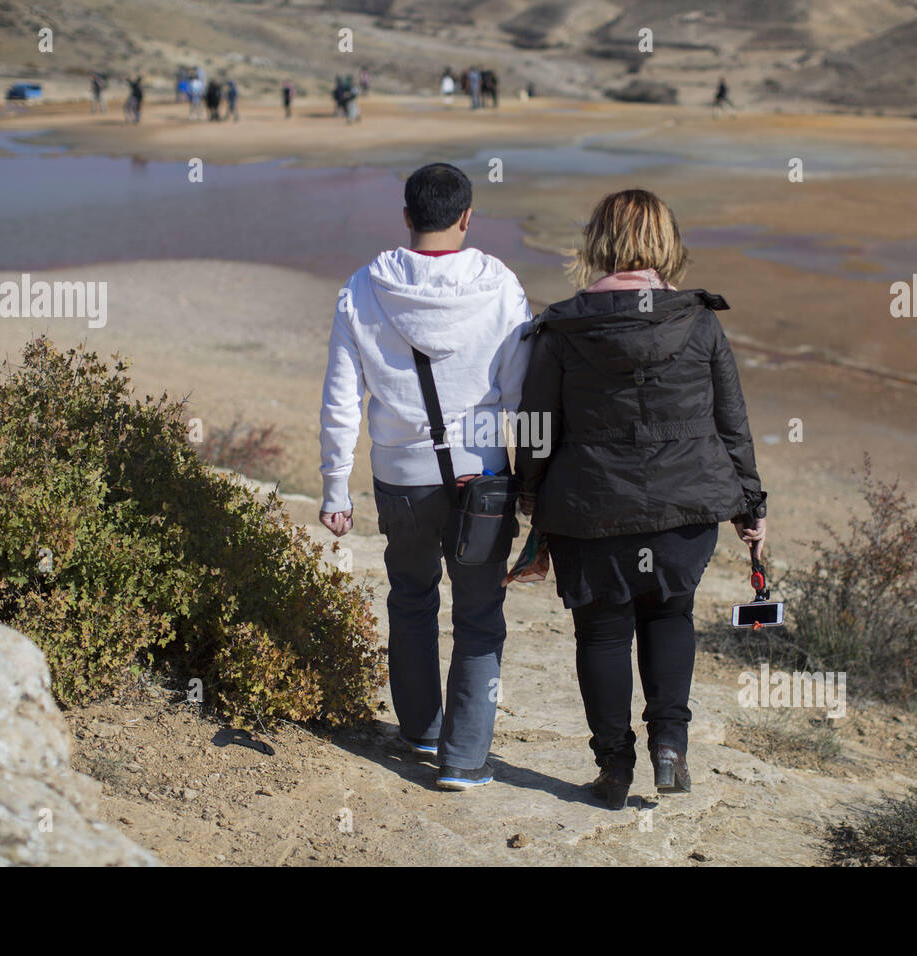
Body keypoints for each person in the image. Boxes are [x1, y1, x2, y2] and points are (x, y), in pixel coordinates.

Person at [514, 189, 767, 810]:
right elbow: (731, 419)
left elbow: (535, 425)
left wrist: (530, 503)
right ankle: (670, 747)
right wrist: (750, 506)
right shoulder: (699, 319)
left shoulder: (563, 325)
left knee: (601, 634)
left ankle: (615, 769)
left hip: (591, 511)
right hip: (686, 509)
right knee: (669, 616)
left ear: (598, 243)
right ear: (665, 244)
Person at [318, 163, 533, 791]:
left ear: (407, 216)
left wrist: (336, 486)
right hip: (483, 481)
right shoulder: (500, 287)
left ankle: (420, 732)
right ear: (467, 217)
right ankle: (464, 760)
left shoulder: (362, 288)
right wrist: (528, 481)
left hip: (399, 481)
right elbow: (519, 397)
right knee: (479, 614)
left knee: (411, 601)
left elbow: (340, 400)